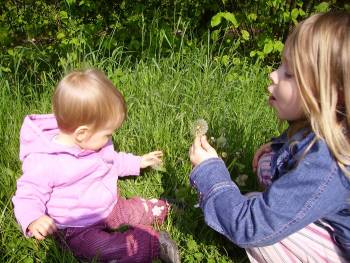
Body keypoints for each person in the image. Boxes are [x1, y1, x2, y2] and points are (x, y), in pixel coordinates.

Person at [189, 12, 350, 262]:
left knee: (254, 214)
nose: (273, 75)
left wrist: (211, 174)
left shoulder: (328, 161)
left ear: (333, 93)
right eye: (280, 65)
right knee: (268, 166)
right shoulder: (330, 126)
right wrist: (277, 148)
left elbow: (249, 226)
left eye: (290, 74)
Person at [12, 69, 180, 263]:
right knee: (102, 249)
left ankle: (163, 207)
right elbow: (28, 193)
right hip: (77, 228)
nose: (109, 139)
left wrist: (138, 162)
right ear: (82, 133)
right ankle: (152, 244)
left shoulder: (94, 142)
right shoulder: (45, 161)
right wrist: (33, 218)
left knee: (134, 211)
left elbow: (112, 160)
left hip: (110, 205)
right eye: (107, 134)